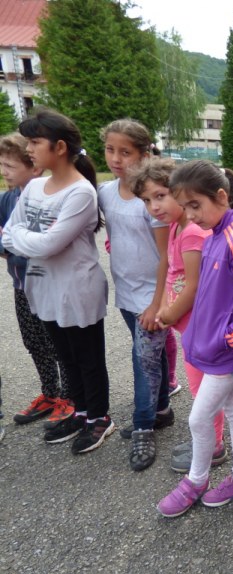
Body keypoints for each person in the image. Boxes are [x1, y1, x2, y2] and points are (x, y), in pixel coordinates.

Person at [157, 160, 233, 517]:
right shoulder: (217, 232)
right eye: (185, 207)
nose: (190, 215)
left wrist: (226, 341)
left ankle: (196, 480)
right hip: (218, 349)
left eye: (195, 205)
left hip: (226, 353)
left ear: (221, 196)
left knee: (198, 418)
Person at [2, 108, 114, 454]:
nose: (29, 149)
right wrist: (27, 238)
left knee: (87, 358)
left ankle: (99, 417)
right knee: (66, 356)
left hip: (76, 290)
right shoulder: (35, 186)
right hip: (43, 288)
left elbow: (47, 244)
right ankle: (79, 412)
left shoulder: (80, 193)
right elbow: (8, 233)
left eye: (35, 142)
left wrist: (23, 237)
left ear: (60, 147)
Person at [127, 157, 227, 474]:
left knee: (203, 392)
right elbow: (174, 273)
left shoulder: (192, 233)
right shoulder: (175, 227)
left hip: (200, 328)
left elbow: (194, 286)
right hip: (190, 328)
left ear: (179, 192)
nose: (154, 206)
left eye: (160, 196)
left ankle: (214, 447)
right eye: (146, 200)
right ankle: (208, 440)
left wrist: (167, 313)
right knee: (201, 390)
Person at [98, 119, 171, 472]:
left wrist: (158, 303)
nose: (116, 158)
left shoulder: (152, 201)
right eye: (110, 150)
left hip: (151, 295)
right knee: (152, 355)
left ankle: (143, 426)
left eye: (125, 152)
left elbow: (167, 257)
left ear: (143, 155)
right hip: (126, 290)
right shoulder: (105, 192)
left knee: (143, 360)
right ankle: (162, 410)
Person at [0, 133, 74, 429]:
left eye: (10, 166)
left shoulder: (47, 197)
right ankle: (50, 392)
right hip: (21, 285)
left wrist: (15, 241)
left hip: (47, 285)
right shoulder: (6, 199)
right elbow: (7, 244)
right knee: (34, 342)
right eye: (2, 165)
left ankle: (70, 396)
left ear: (35, 167)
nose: (4, 171)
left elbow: (43, 243)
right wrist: (16, 241)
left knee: (58, 344)